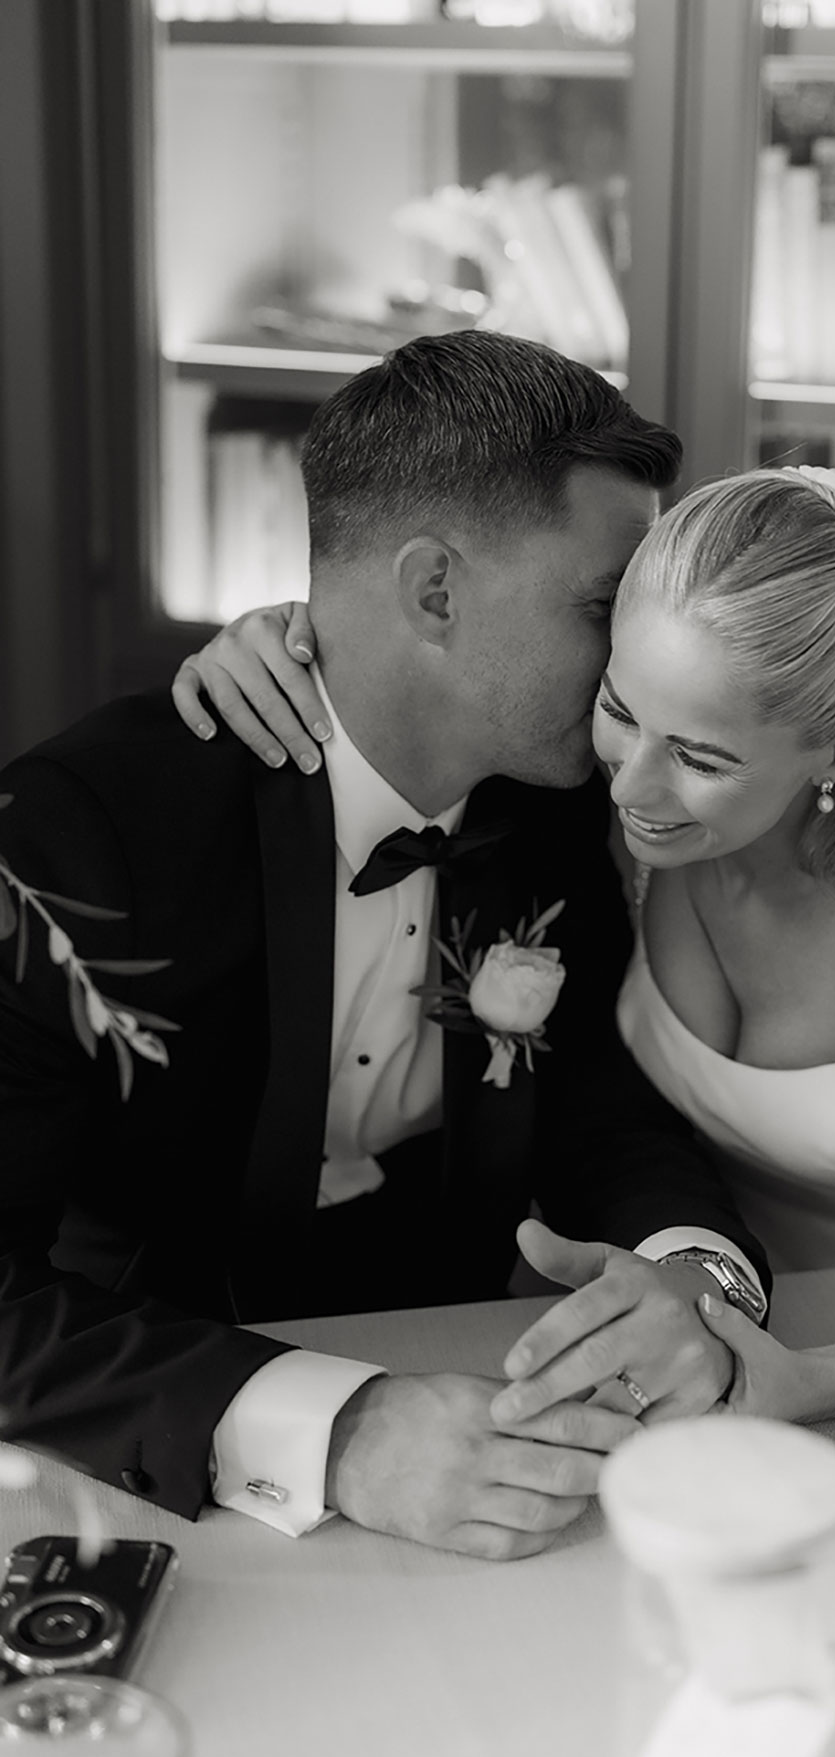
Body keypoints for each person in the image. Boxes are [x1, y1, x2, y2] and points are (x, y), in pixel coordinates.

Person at [183, 463, 835, 1432]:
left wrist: (806, 1382)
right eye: (621, 709)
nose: (631, 787)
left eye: (705, 758)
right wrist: (283, 643)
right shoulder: (615, 810)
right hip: (718, 1300)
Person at [0, 332, 773, 1563]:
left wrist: (698, 1283)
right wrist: (341, 1430)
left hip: (490, 1396)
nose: (639, 661)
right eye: (602, 606)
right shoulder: (83, 839)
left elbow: (603, 1113)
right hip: (159, 1455)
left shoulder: (562, 798)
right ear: (434, 592)